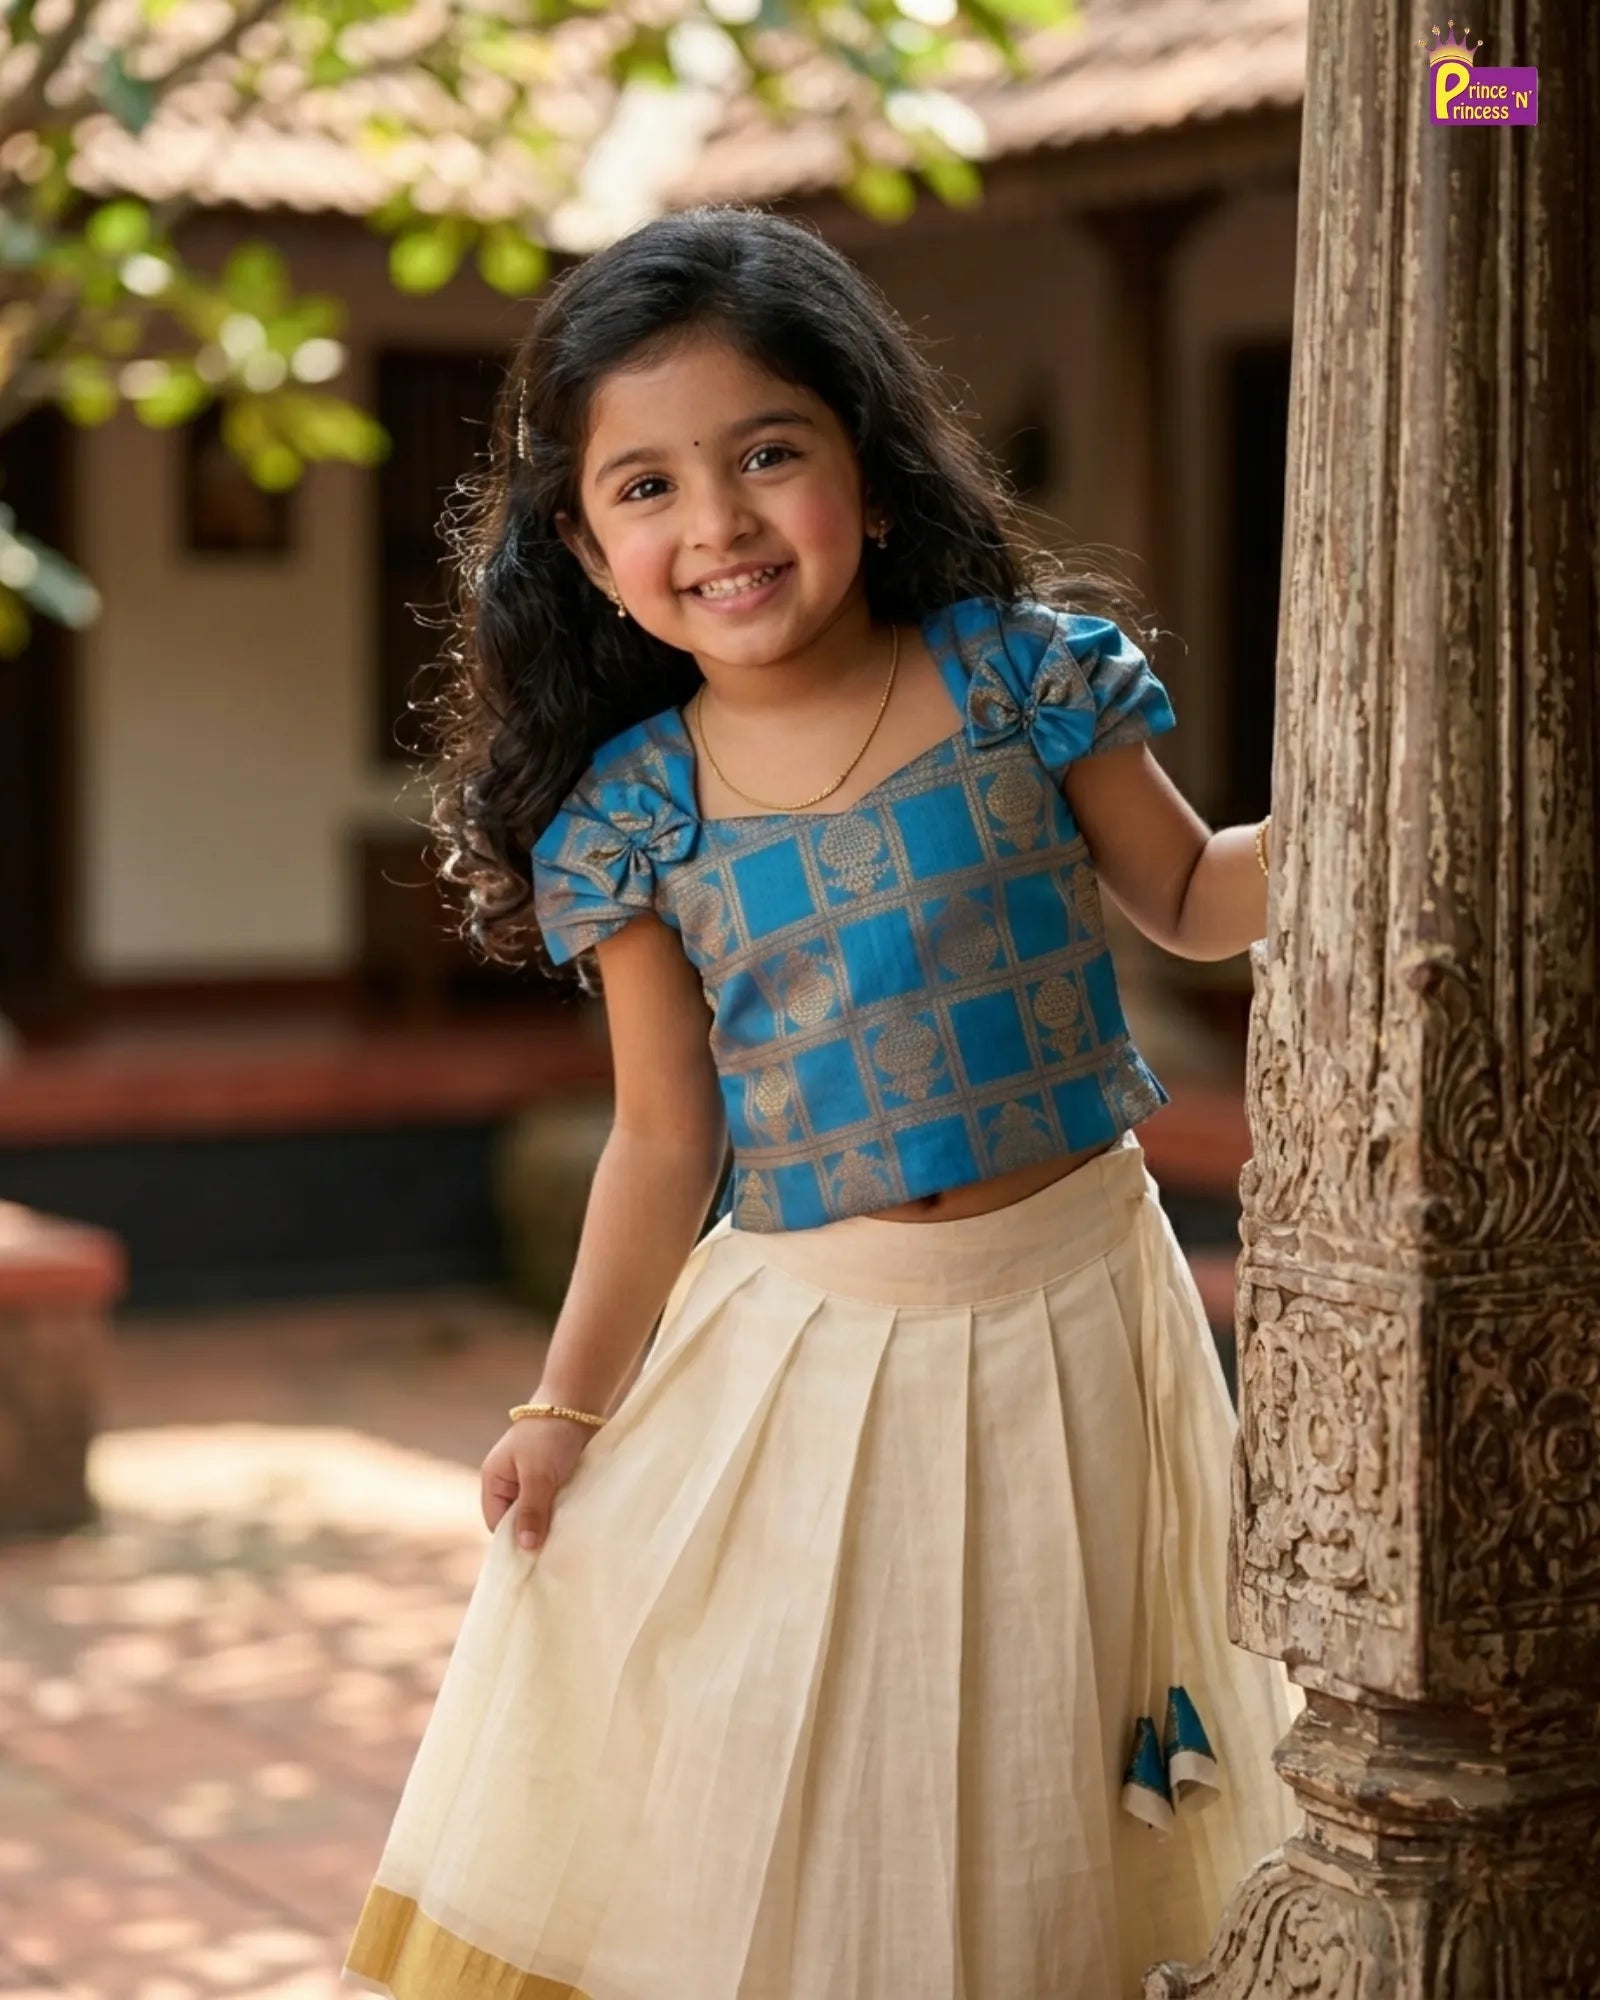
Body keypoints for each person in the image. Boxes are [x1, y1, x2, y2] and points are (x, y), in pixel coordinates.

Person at [344, 206, 1298, 2000]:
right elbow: (663, 1139)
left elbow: (1185, 897)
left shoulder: (1022, 679)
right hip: (818, 1348)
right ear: (588, 549)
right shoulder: (634, 817)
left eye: (767, 454)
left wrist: (1374, 809)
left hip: (1082, 1317)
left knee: (1057, 1741)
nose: (717, 521)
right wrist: (563, 1405)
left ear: (863, 457)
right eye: (647, 486)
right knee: (833, 1746)